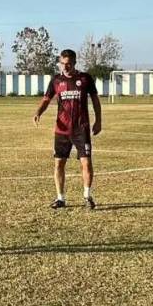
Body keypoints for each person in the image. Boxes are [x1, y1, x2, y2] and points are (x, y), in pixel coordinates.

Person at [33, 48, 102, 209]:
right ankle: (60, 198)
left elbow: (95, 100)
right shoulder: (56, 80)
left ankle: (87, 196)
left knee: (86, 162)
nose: (65, 67)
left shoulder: (85, 79)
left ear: (75, 63)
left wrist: (98, 121)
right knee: (59, 164)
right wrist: (38, 112)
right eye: (62, 64)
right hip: (61, 129)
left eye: (68, 64)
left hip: (81, 129)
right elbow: (46, 99)